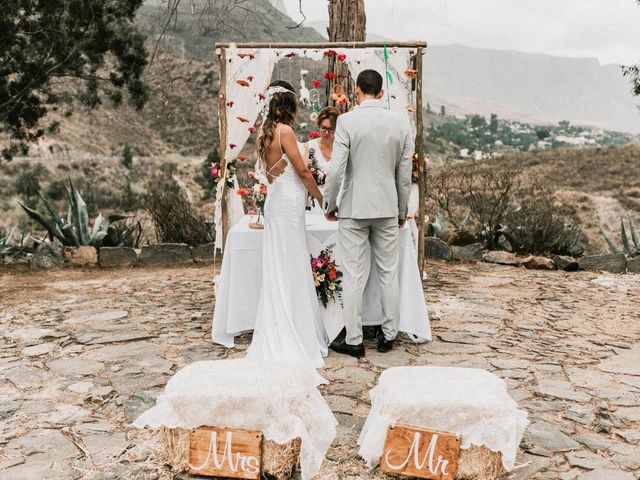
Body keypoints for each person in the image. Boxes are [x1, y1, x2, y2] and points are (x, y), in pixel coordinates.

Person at [323, 70, 413, 358]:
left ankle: (354, 340)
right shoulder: (400, 123)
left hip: (353, 208)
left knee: (353, 275)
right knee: (388, 272)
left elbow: (336, 169)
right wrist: (401, 210)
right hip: (387, 208)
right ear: (381, 93)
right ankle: (388, 336)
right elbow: (404, 174)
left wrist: (329, 203)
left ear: (357, 90)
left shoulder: (347, 121)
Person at [245, 80, 329, 384]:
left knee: (280, 264)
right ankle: (295, 333)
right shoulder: (286, 132)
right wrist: (321, 198)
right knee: (291, 263)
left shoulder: (264, 133)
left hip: (277, 201)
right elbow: (303, 171)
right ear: (290, 105)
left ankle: (279, 324)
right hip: (290, 202)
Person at [304, 106, 340, 214]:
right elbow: (303, 175)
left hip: (338, 204)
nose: (326, 132)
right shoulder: (309, 147)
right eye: (323, 128)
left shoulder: (342, 148)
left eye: (331, 129)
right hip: (314, 205)